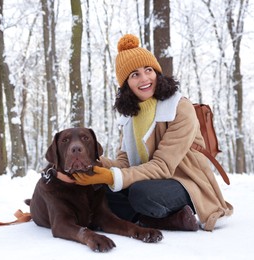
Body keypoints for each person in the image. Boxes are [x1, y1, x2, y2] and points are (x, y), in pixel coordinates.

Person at [59, 34, 233, 231]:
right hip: (147, 180)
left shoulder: (179, 108)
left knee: (141, 194)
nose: (144, 79)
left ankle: (174, 211)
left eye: (148, 70)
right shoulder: (129, 118)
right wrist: (90, 161)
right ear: (126, 84)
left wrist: (110, 177)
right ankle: (162, 219)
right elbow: (124, 163)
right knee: (99, 191)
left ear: (156, 72)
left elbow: (163, 166)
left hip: (186, 182)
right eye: (135, 75)